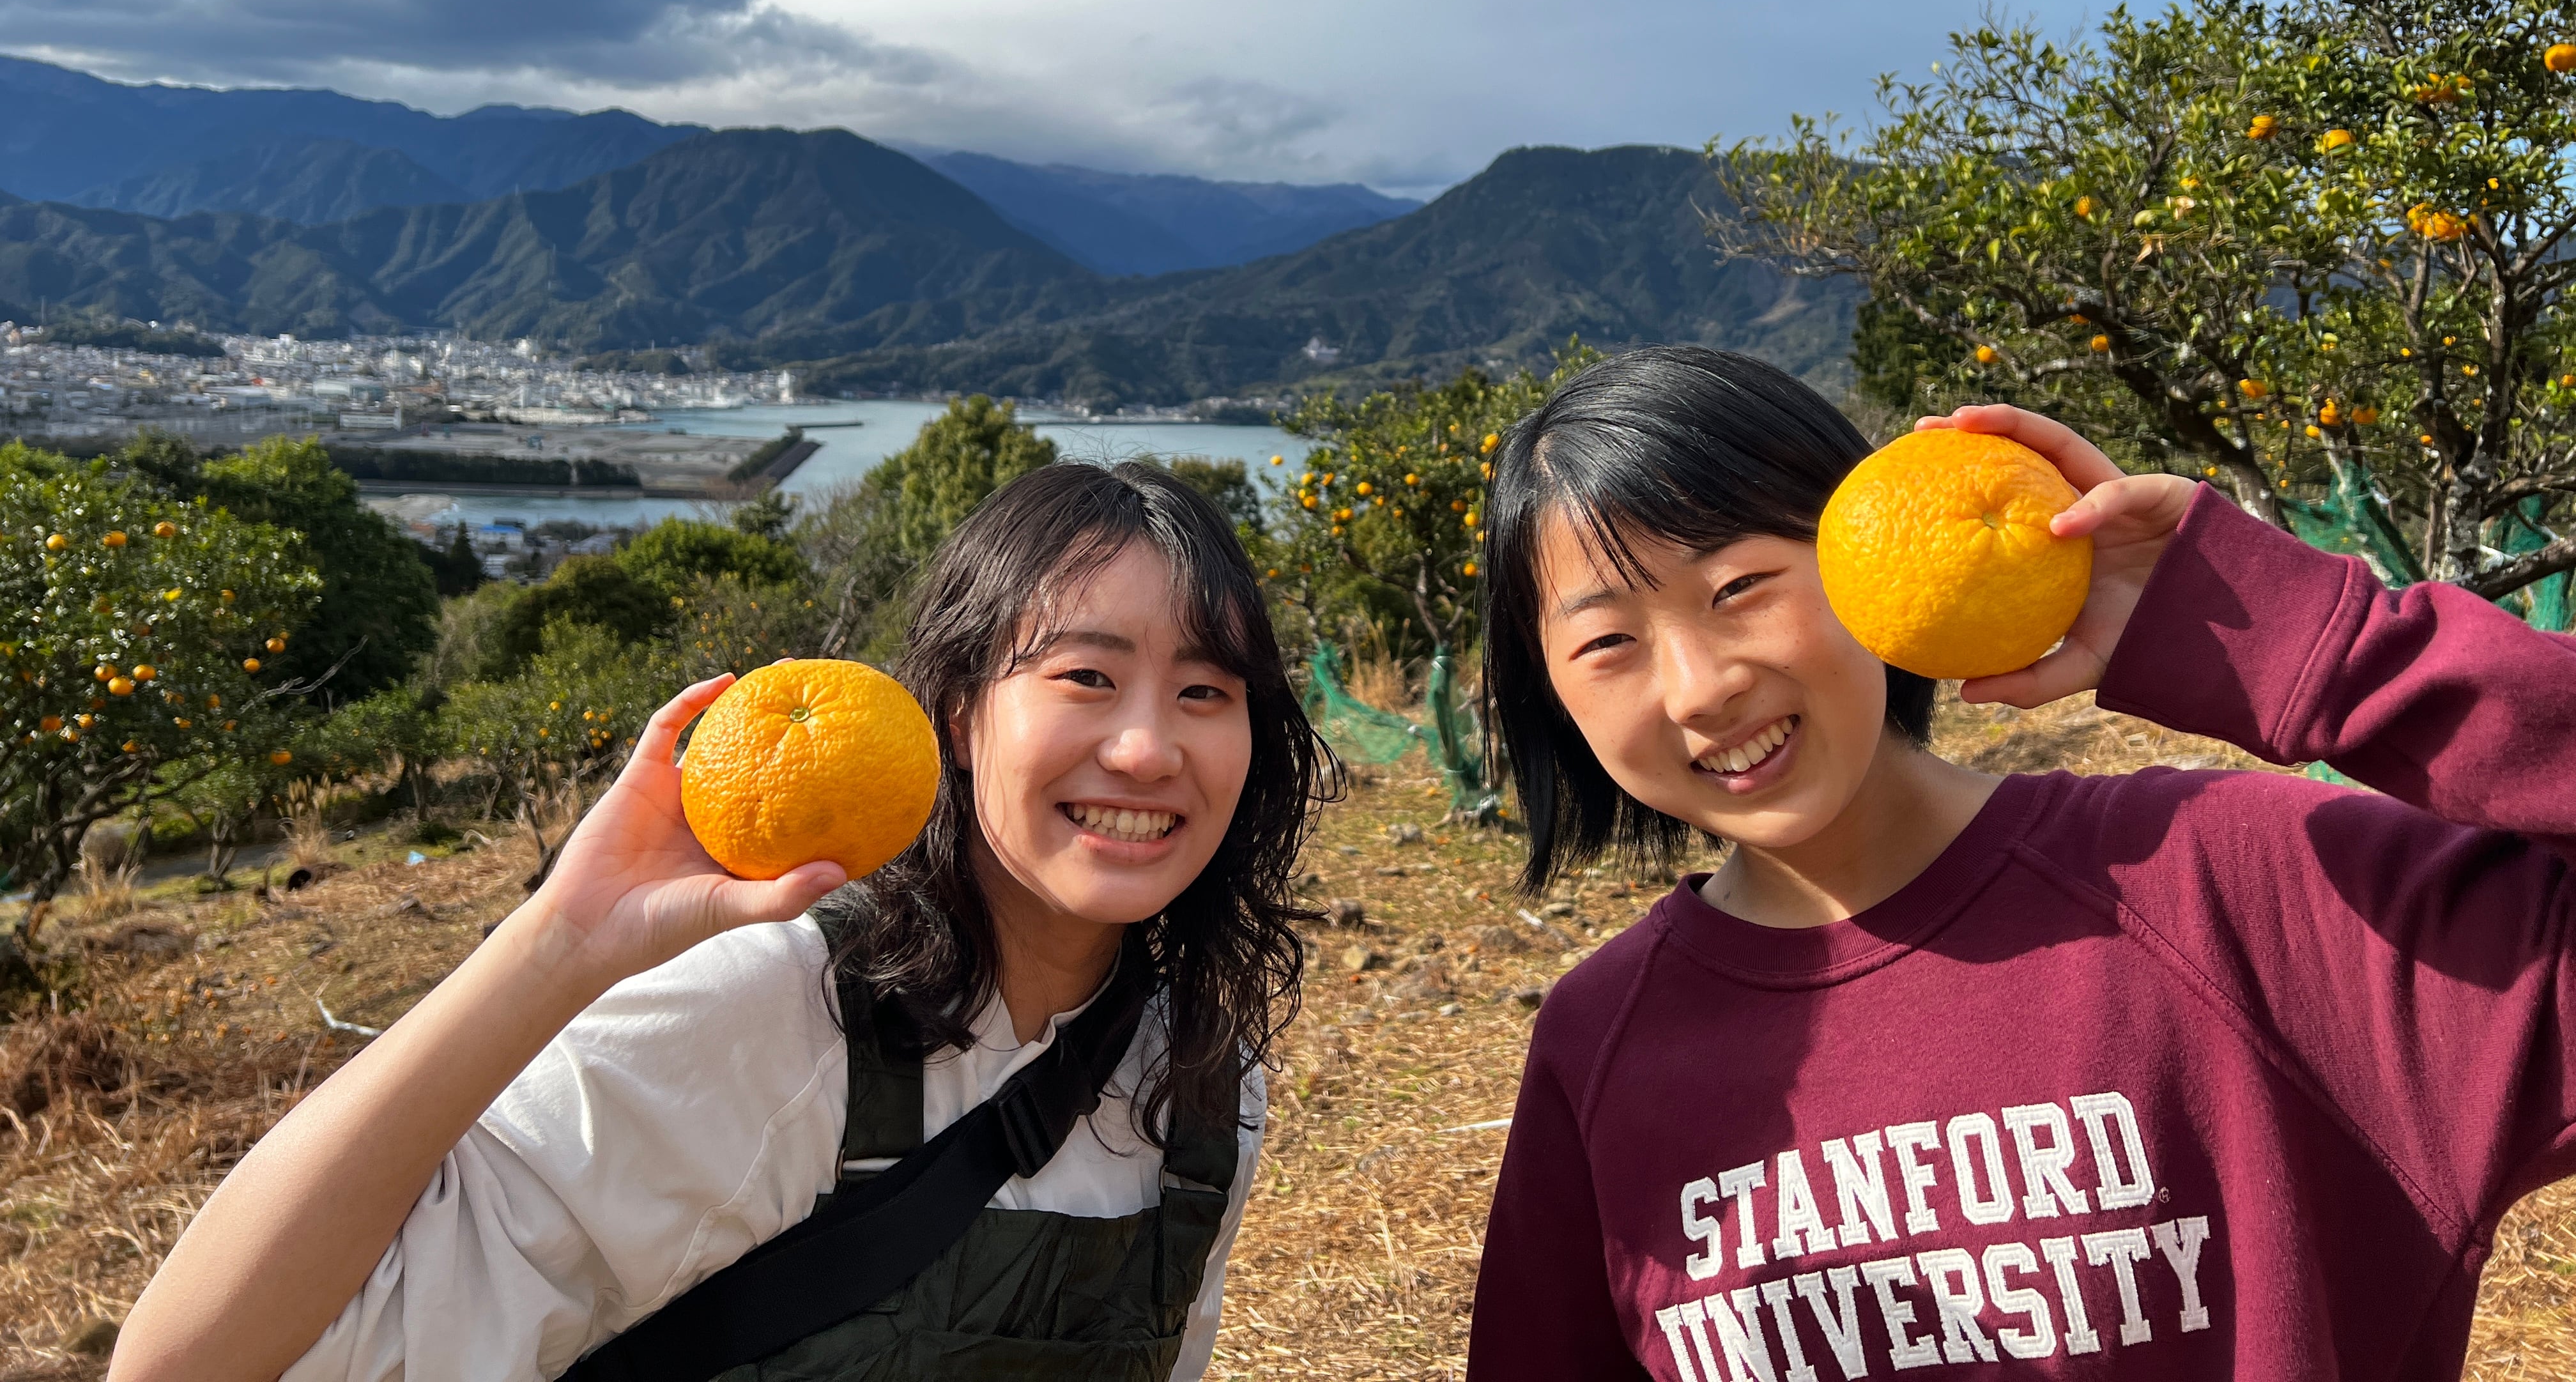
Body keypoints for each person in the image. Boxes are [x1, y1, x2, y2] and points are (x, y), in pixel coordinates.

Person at [1462, 345, 2575, 1381]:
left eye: (1738, 587)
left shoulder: (2226, 890)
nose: (1701, 686)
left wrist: (2292, 642)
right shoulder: (1599, 1043)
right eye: (1608, 642)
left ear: (1861, 551)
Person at [115, 459, 1335, 1382]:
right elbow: (194, 1365)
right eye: (1086, 676)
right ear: (958, 714)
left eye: (1203, 692)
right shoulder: (771, 1017)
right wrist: (558, 943)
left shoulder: (1201, 1076)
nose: (1145, 747)